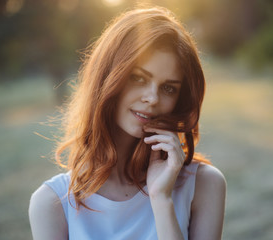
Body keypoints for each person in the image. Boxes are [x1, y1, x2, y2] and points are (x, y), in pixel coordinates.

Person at [29, 6, 226, 240]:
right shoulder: (52, 203)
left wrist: (161, 200)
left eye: (168, 88)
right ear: (108, 77)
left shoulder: (204, 185)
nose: (152, 98)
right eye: (138, 78)